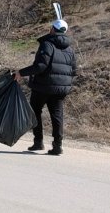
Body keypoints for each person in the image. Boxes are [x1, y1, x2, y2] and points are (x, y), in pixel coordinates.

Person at [14, 19, 77, 156]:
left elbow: (40, 66)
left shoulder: (47, 44)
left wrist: (21, 73)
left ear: (52, 29)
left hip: (43, 86)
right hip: (61, 89)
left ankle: (38, 142)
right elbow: (74, 70)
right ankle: (57, 145)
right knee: (57, 115)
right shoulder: (70, 49)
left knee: (35, 111)